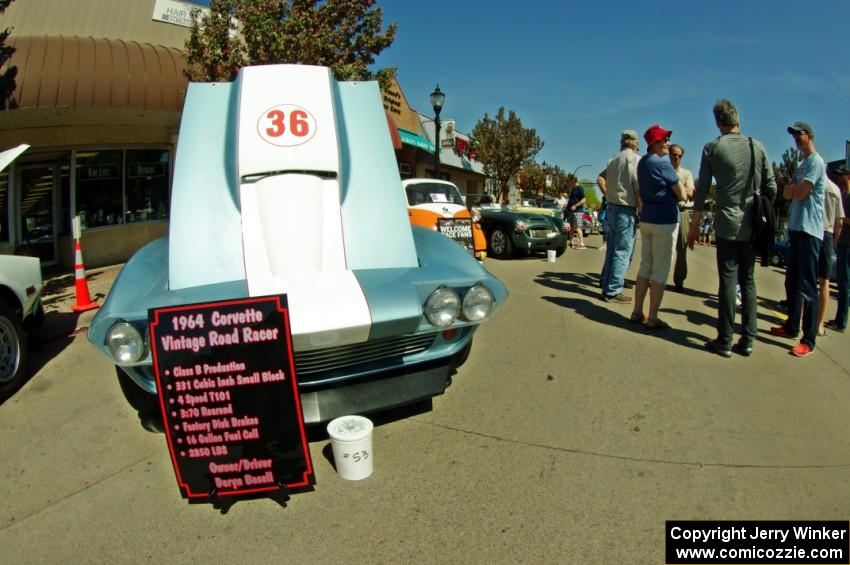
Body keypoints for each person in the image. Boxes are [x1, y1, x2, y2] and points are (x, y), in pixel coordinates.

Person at [688, 99, 777, 357]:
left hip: (726, 222)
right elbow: (771, 186)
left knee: (727, 279)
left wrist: (694, 226)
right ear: (738, 119)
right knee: (748, 280)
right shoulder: (756, 146)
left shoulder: (712, 148)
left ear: (717, 121)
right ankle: (748, 339)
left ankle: (724, 339)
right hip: (752, 223)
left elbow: (702, 188)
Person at [769, 122, 825, 358]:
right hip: (795, 228)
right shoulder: (801, 164)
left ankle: (809, 339)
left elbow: (799, 193)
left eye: (799, 135)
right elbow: (786, 192)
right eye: (794, 136)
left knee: (807, 287)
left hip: (810, 231)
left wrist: (794, 190)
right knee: (791, 282)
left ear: (809, 135)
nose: (796, 139)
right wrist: (793, 189)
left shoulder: (815, 162)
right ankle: (791, 326)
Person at [630, 124, 686, 329]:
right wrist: (686, 191)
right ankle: (653, 316)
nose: (668, 144)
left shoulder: (643, 162)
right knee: (660, 270)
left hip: (647, 218)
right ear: (655, 143)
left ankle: (637, 311)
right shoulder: (663, 164)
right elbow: (682, 194)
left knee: (645, 265)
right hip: (665, 220)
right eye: (665, 140)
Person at [598, 129, 641, 303]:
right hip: (626, 208)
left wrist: (609, 195)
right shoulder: (635, 160)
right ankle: (613, 290)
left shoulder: (612, 160)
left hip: (612, 207)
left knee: (612, 250)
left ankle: (606, 283)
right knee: (622, 251)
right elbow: (637, 187)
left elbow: (603, 179)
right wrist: (641, 210)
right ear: (635, 143)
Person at [815, 175, 844, 336]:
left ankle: (803, 320)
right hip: (828, 233)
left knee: (808, 280)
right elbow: (839, 220)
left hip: (812, 231)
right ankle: (819, 324)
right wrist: (834, 241)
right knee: (824, 282)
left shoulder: (813, 185)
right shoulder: (835, 189)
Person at [827, 165, 850, 332]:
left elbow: (843, 219)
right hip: (842, 243)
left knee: (844, 283)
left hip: (847, 245)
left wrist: (841, 219)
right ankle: (839, 319)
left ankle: (841, 321)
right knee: (842, 283)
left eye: (841, 175)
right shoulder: (843, 195)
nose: (839, 178)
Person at [669, 144, 695, 291]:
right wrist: (680, 189)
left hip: (682, 211)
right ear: (669, 155)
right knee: (662, 247)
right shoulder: (663, 170)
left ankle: (679, 281)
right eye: (674, 154)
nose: (676, 157)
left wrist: (673, 186)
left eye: (679, 155)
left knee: (682, 248)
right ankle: (657, 279)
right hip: (666, 211)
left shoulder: (686, 174)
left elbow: (691, 193)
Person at [565, 174, 587, 249]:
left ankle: (582, 243)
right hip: (571, 211)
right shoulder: (573, 189)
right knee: (571, 227)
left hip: (577, 211)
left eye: (569, 181)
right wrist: (567, 206)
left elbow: (584, 200)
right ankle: (571, 242)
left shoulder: (579, 188)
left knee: (577, 226)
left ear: (573, 181)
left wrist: (575, 205)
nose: (569, 183)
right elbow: (572, 200)